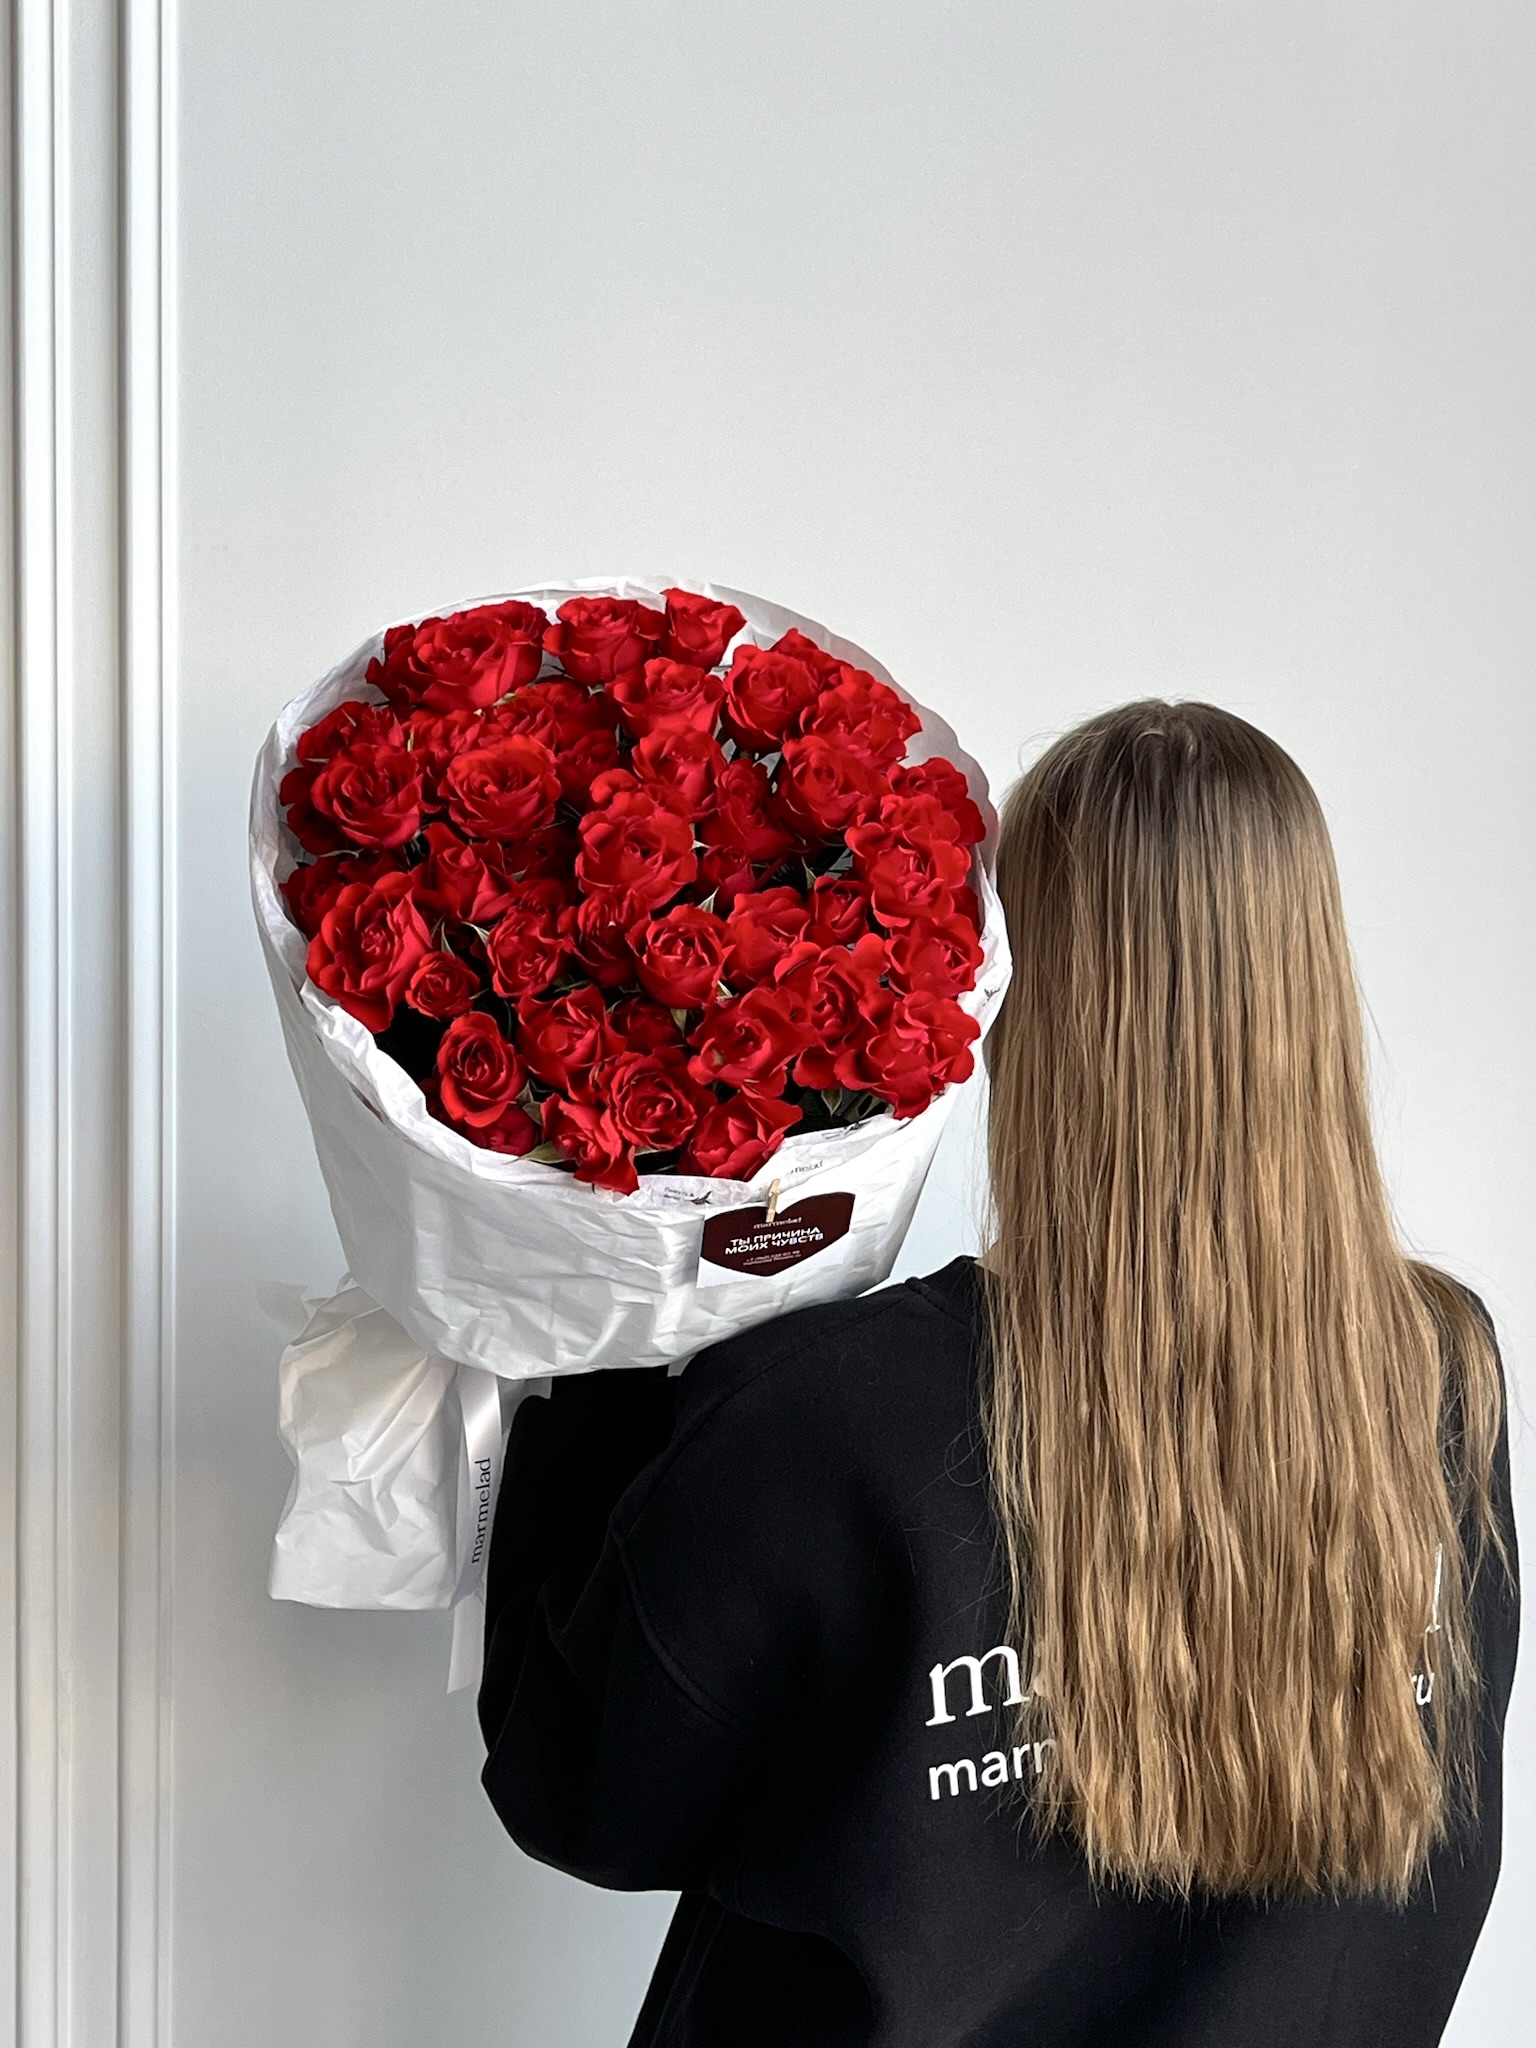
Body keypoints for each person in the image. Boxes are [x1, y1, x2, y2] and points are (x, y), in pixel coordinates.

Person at [477, 700, 1520, 2047]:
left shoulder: (831, 1411)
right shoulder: (1438, 1371)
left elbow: (581, 1796)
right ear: (1310, 977)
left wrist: (595, 1360)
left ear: (1014, 988)